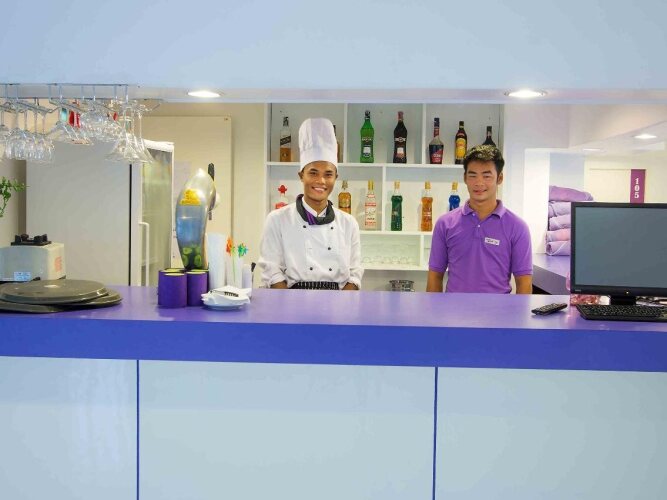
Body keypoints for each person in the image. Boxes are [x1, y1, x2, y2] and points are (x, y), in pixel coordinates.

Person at [258, 118, 363, 290]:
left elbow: (354, 275)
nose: (321, 181)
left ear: (336, 178)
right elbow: (272, 273)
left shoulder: (349, 223)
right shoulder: (277, 219)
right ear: (301, 175)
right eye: (313, 173)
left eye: (328, 174)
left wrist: (341, 304)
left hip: (339, 302)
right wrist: (291, 305)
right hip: (290, 300)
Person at [426, 145, 532, 294]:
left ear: (499, 178)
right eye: (473, 175)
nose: (479, 183)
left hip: (499, 309)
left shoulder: (517, 227)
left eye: (486, 176)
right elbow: (435, 276)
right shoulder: (445, 224)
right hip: (453, 308)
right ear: (465, 178)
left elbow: (524, 284)